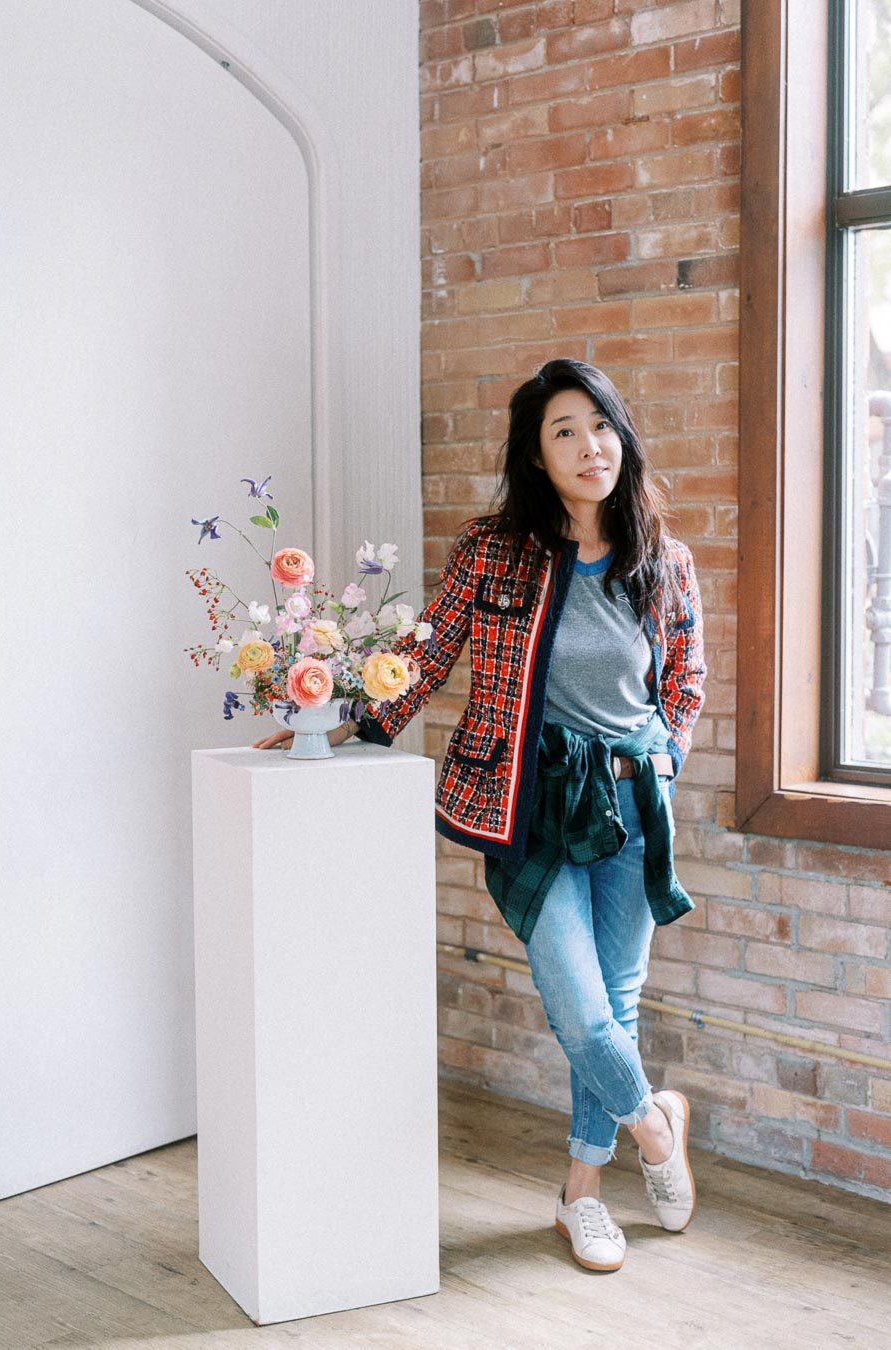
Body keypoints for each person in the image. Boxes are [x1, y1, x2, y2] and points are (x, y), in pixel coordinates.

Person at [254, 358, 706, 1274]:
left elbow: (686, 679)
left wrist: (666, 753)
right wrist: (346, 722)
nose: (591, 447)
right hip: (525, 804)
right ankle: (659, 1129)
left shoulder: (662, 558)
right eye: (565, 432)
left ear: (623, 435)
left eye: (602, 426)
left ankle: (580, 1198)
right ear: (537, 457)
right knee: (583, 1011)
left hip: (628, 801)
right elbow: (430, 650)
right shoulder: (495, 548)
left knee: (615, 1003)